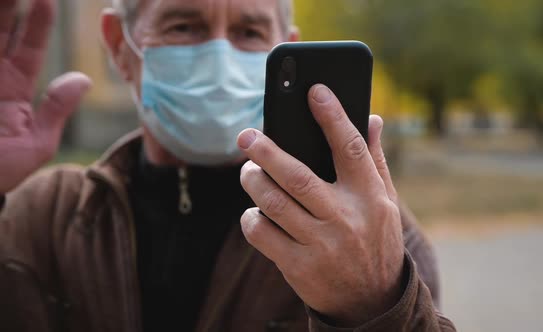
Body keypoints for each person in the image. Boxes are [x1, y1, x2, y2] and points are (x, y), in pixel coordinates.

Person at [0, 0, 456, 331]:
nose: (219, 55)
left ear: (286, 49)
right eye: (183, 26)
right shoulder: (40, 220)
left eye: (250, 32)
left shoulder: (369, 237)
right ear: (121, 46)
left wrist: (374, 307)